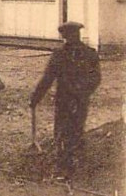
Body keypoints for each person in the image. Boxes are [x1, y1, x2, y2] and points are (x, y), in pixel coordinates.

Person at [29, 21, 101, 180]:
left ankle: (64, 168)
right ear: (78, 34)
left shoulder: (60, 55)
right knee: (78, 127)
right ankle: (79, 165)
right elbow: (96, 78)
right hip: (81, 100)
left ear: (64, 37)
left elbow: (47, 79)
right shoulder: (90, 53)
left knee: (62, 131)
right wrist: (84, 93)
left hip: (64, 99)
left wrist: (35, 98)